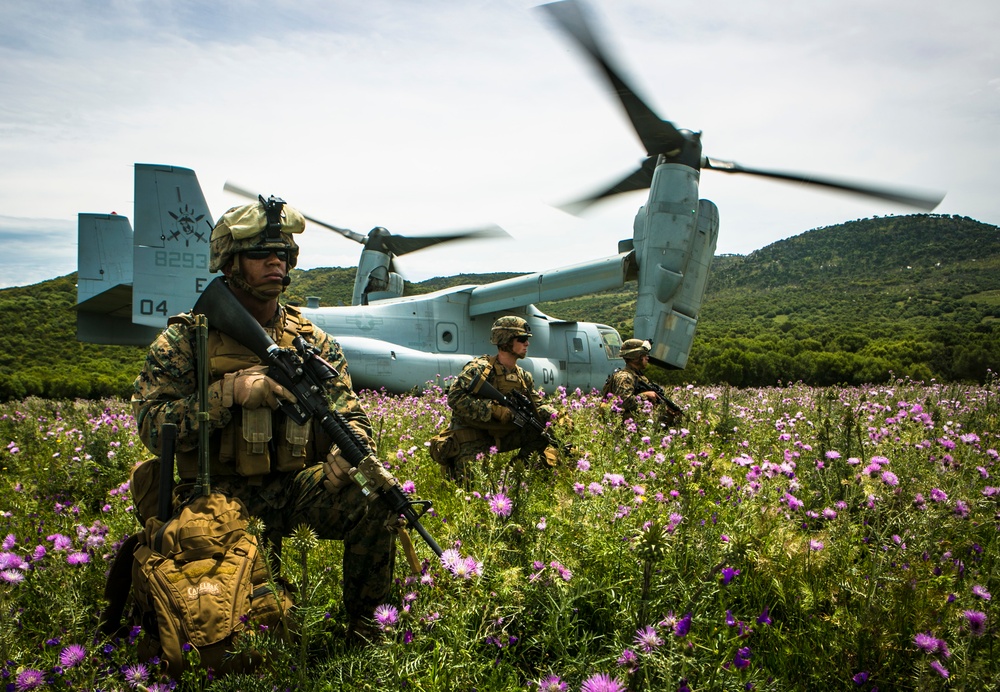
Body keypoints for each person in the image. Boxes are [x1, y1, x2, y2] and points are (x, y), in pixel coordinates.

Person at [131, 196, 395, 640]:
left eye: (284, 253)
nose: (276, 261)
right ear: (230, 264)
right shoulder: (185, 341)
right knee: (234, 626)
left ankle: (368, 633)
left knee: (375, 498)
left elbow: (352, 412)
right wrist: (224, 396)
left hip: (295, 488)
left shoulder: (313, 341)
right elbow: (153, 429)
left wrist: (350, 453)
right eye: (260, 254)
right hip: (214, 495)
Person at [432, 316, 561, 483]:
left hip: (500, 435)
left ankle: (514, 477)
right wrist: (494, 410)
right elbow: (455, 398)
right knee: (474, 487)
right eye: (522, 339)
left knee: (542, 433)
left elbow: (537, 405)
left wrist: (556, 416)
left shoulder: (523, 377)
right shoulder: (479, 369)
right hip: (473, 435)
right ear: (506, 340)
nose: (527, 344)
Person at [601, 338, 682, 425]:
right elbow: (623, 402)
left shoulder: (638, 376)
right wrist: (645, 396)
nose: (647, 357)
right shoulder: (625, 377)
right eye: (644, 355)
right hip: (626, 426)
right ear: (635, 356)